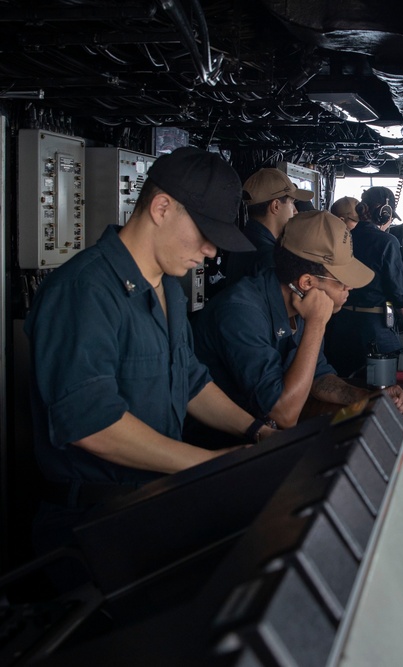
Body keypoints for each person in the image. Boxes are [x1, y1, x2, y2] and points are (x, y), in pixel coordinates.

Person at [25, 147, 278, 562]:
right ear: (162, 207)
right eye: (205, 232)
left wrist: (259, 433)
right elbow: (93, 425)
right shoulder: (85, 291)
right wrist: (207, 465)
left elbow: (192, 381)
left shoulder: (169, 289)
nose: (212, 252)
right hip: (90, 525)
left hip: (151, 504)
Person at [192, 210, 403, 443]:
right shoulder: (240, 312)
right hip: (219, 451)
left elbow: (320, 378)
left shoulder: (302, 302)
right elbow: (284, 413)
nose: (350, 287)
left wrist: (372, 398)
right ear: (307, 282)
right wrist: (316, 325)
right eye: (341, 280)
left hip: (266, 440)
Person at [325, 186, 403, 377]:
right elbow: (398, 293)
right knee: (381, 390)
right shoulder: (387, 242)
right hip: (375, 331)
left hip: (340, 327)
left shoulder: (341, 238)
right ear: (385, 212)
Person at [225, 167, 314, 285]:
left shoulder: (244, 242)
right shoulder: (269, 258)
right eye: (291, 202)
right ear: (276, 206)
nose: (295, 211)